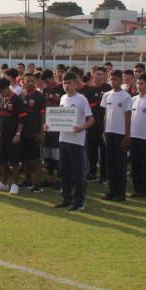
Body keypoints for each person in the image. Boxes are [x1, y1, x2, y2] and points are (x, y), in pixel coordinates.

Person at [47, 70, 93, 211]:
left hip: (77, 141)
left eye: (69, 83)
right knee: (64, 171)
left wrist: (81, 127)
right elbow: (59, 119)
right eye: (64, 82)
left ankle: (79, 202)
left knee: (78, 173)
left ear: (76, 84)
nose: (66, 85)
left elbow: (91, 119)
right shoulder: (62, 98)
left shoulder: (81, 99)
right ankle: (66, 198)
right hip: (63, 140)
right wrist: (49, 125)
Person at [102, 69, 132, 201]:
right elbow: (105, 115)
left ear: (121, 80)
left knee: (120, 164)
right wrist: (104, 131)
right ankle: (112, 191)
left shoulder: (126, 96)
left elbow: (128, 116)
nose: (113, 81)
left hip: (120, 134)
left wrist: (127, 135)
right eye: (111, 79)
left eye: (115, 79)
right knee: (110, 164)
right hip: (109, 133)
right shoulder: (107, 95)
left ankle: (121, 193)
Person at [0, 78, 25, 195]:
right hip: (2, 136)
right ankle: (3, 183)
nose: (1, 93)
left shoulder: (17, 100)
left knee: (14, 161)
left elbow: (21, 120)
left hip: (13, 136)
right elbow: (0, 118)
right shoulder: (2, 99)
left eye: (2, 91)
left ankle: (15, 184)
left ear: (7, 87)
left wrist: (18, 134)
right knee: (3, 160)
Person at [19, 72, 47, 192]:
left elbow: (43, 115)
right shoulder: (21, 95)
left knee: (36, 160)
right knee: (25, 159)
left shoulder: (39, 96)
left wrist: (42, 132)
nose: (30, 83)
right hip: (23, 132)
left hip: (34, 132)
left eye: (32, 81)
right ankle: (27, 180)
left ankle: (37, 185)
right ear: (23, 82)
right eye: (28, 81)